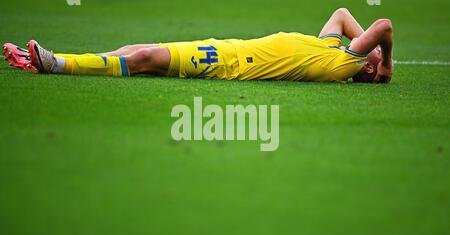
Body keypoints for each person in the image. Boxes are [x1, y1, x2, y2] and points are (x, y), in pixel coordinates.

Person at [3, 8, 393, 83]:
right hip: (225, 47)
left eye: (370, 57)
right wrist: (372, 55)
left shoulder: (343, 66)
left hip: (228, 66)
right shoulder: (332, 49)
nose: (370, 49)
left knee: (141, 58)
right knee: (134, 48)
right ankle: (46, 59)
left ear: (367, 67)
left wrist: (386, 61)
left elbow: (383, 26)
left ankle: (55, 64)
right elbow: (342, 14)